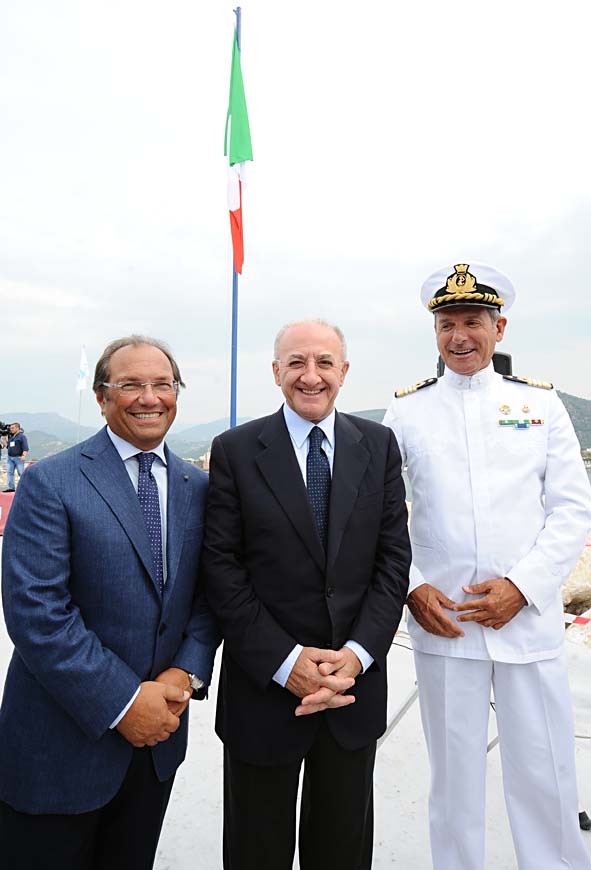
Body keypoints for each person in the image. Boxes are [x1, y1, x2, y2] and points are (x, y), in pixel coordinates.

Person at [383, 263, 591, 870]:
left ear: (498, 328)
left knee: (546, 775)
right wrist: (413, 588)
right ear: (435, 332)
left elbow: (572, 509)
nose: (459, 336)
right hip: (444, 622)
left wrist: (522, 588)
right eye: (447, 324)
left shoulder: (539, 404)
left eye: (472, 321)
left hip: (527, 624)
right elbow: (380, 513)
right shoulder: (408, 412)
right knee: (454, 785)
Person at [0, 335, 220, 870]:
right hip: (58, 753)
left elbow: (209, 597)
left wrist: (184, 675)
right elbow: (38, 614)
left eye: (162, 384)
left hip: (155, 749)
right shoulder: (51, 482)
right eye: (130, 385)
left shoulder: (199, 487)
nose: (149, 397)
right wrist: (124, 703)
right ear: (102, 397)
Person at [203, 319, 411, 870]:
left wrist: (357, 656)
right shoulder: (235, 451)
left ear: (344, 371)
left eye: (324, 362)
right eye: (296, 363)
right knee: (256, 852)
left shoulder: (378, 446)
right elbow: (221, 569)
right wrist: (285, 662)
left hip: (351, 691)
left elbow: (393, 561)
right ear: (276, 372)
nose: (310, 375)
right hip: (263, 694)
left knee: (342, 850)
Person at [3, 421, 29, 491]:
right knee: (10, 473)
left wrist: (24, 456)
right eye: (10, 428)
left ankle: (26, 488)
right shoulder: (11, 437)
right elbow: (7, 446)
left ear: (17, 428)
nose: (11, 429)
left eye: (12, 428)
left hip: (18, 457)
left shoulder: (22, 436)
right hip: (10, 458)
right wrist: (4, 438)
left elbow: (26, 447)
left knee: (21, 473)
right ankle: (11, 488)